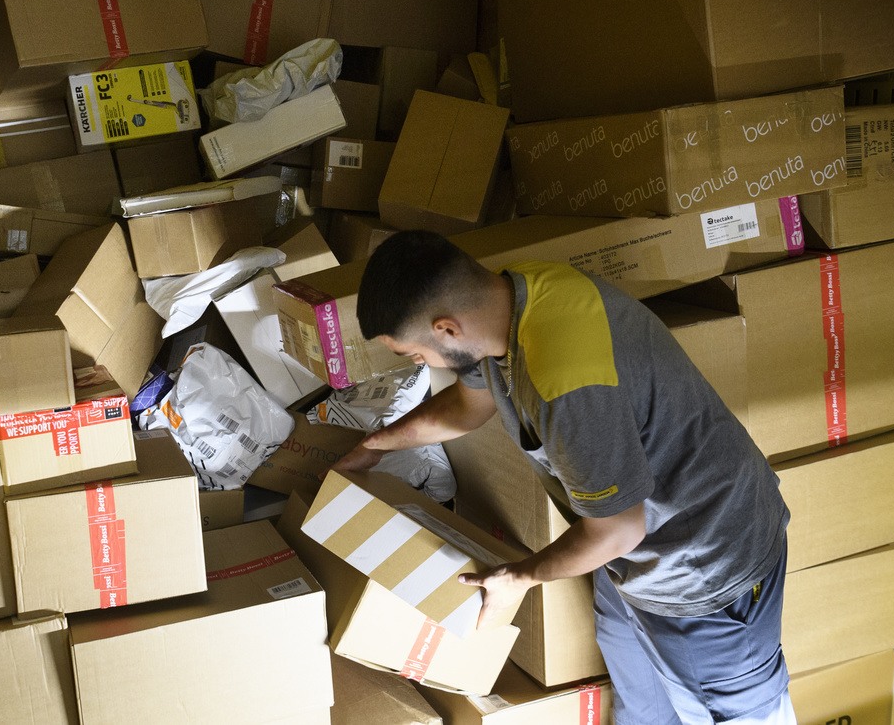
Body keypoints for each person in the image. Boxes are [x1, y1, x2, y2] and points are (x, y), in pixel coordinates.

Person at [331, 230, 793, 725]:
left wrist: (518, 578)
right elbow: (469, 407)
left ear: (447, 329)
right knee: (641, 702)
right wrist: (372, 447)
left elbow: (618, 529)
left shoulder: (564, 381)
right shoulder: (516, 297)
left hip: (701, 567)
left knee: (730, 713)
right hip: (636, 553)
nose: (422, 364)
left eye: (416, 355)